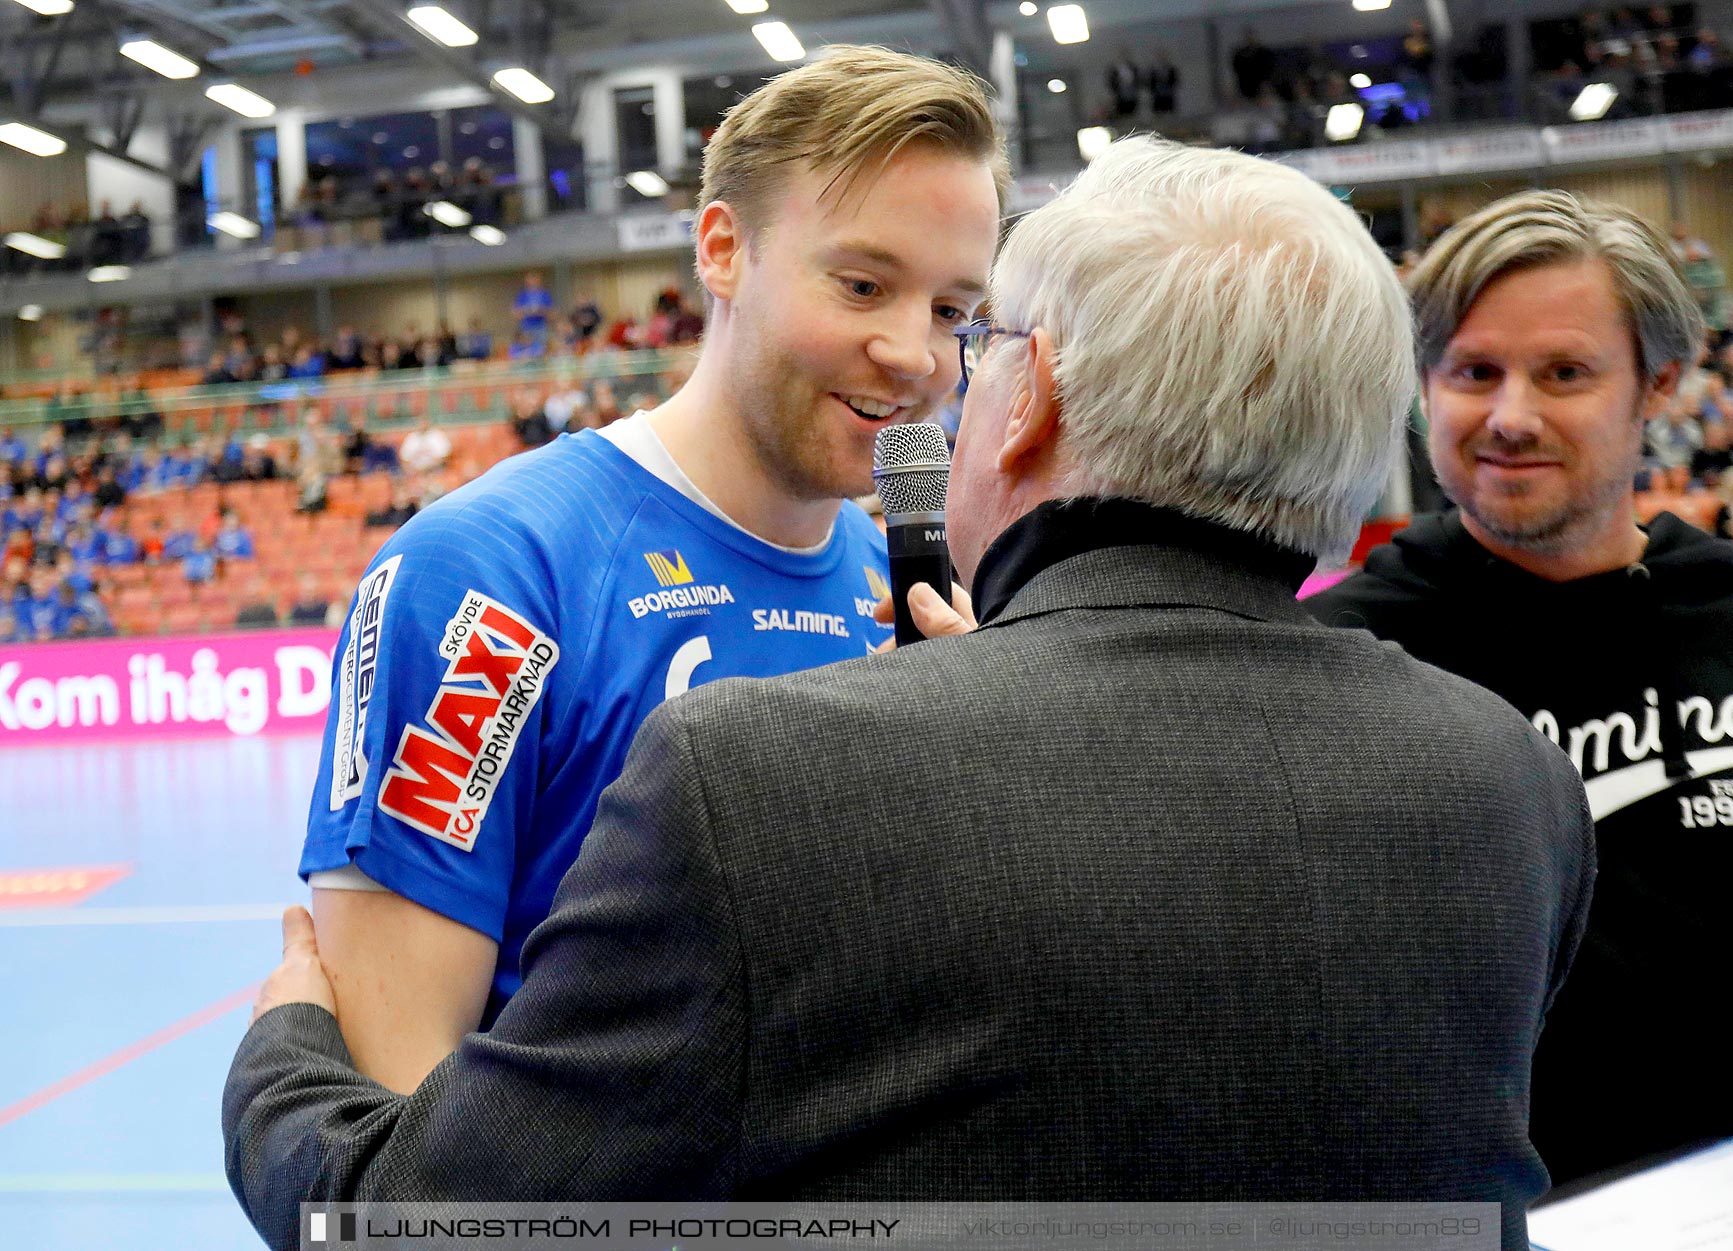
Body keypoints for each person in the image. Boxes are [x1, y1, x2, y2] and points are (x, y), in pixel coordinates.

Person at [228, 138, 1592, 1250]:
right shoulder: (1511, 779)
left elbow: (415, 1221)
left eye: (969, 324)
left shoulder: (760, 776)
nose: (933, 367)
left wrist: (284, 1048)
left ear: (1032, 397)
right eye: (869, 287)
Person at [284, 46, 1007, 1097]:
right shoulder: (488, 576)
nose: (914, 353)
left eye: (952, 312)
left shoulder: (905, 599)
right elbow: (395, 1118)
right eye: (862, 284)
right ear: (723, 250)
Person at [1307, 189, 1733, 1184]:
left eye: (1565, 372)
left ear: (1658, 385)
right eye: (1474, 372)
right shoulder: (1326, 665)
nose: (1511, 417)